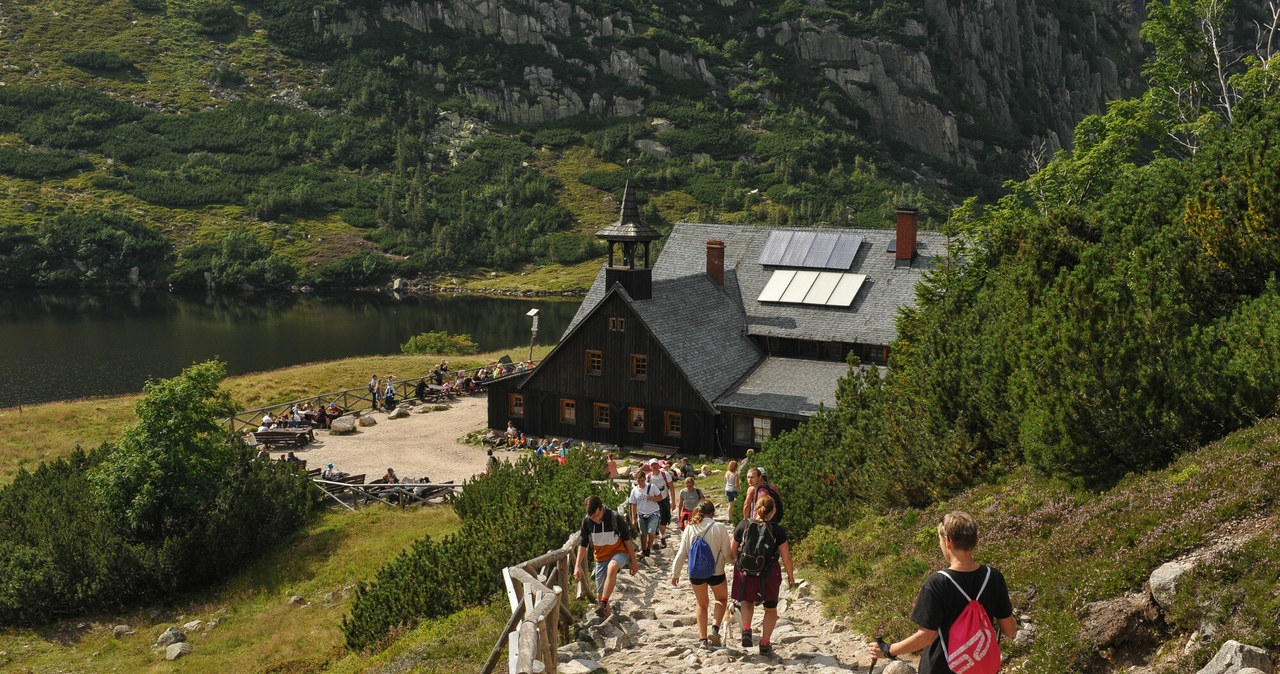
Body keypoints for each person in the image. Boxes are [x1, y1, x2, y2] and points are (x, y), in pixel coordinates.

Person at [869, 511, 1017, 671]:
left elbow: (925, 637)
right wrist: (1008, 609)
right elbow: (1009, 631)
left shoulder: (937, 582)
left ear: (947, 541)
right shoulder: (994, 577)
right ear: (976, 541)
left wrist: (888, 649)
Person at [731, 494, 794, 656]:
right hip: (769, 573)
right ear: (773, 512)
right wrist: (791, 576)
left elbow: (732, 550)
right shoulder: (777, 530)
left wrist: (738, 564)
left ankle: (746, 629)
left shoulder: (743, 524)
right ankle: (765, 643)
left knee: (746, 600)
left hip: (746, 571)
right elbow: (786, 556)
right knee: (770, 608)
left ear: (756, 509)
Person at [671, 500, 731, 648]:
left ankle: (703, 640)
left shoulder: (689, 528)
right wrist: (736, 563)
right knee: (722, 599)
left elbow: (681, 553)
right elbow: (726, 554)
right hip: (716, 572)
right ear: (713, 513)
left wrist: (675, 573)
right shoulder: (720, 528)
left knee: (701, 604)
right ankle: (715, 628)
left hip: (696, 573)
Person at [574, 495, 638, 620]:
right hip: (600, 557)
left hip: (619, 552)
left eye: (596, 515)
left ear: (601, 508)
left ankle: (603, 602)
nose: (595, 519)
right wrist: (577, 566)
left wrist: (634, 562)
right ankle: (607, 620)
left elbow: (627, 540)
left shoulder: (615, 518)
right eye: (592, 517)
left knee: (612, 567)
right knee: (600, 594)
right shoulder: (587, 522)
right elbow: (583, 544)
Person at [624, 471, 663, 558]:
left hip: (653, 512)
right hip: (641, 514)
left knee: (651, 532)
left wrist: (651, 498)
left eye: (642, 480)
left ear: (645, 479)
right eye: (639, 481)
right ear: (636, 480)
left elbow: (660, 497)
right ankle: (644, 550)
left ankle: (649, 548)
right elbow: (633, 505)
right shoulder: (634, 491)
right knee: (643, 533)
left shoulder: (651, 487)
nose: (641, 482)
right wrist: (633, 518)